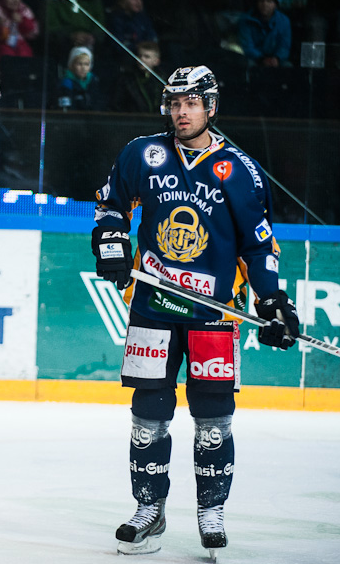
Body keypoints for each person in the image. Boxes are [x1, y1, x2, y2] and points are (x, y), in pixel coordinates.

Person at [91, 66, 299, 559]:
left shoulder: (239, 169)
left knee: (213, 422)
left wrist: (271, 298)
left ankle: (211, 511)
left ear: (210, 106)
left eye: (191, 103)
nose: (181, 112)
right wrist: (112, 241)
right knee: (147, 419)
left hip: (213, 314)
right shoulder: (143, 154)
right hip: (153, 307)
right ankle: (149, 509)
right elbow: (111, 205)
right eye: (174, 102)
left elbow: (259, 243)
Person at [237, 0, 293, 68]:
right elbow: (247, 46)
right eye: (261, 0)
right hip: (254, 60)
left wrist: (277, 58)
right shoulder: (245, 20)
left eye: (269, 1)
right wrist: (262, 59)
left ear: (275, 4)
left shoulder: (284, 21)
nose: (265, 4)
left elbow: (284, 46)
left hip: (276, 61)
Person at [110, 41, 166, 113]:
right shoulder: (126, 79)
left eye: (147, 57)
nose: (142, 59)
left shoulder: (161, 80)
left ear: (156, 61)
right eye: (139, 56)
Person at [56, 46, 104, 111]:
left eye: (86, 64)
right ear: (72, 65)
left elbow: (98, 104)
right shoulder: (66, 84)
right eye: (79, 64)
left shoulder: (94, 81)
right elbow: (66, 108)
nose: (83, 68)